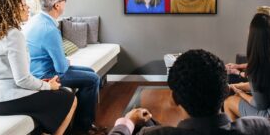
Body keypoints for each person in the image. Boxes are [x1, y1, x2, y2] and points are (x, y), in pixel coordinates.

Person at [108, 49, 270, 135]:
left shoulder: (151, 133)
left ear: (174, 98)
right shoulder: (260, 127)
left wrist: (127, 122)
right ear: (226, 90)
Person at [0, 0, 77, 135]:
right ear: (11, 9)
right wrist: (48, 86)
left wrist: (42, 84)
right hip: (8, 100)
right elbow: (22, 80)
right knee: (69, 97)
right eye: (23, 4)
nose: (27, 8)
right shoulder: (14, 35)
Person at [22, 0, 103, 134]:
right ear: (57, 5)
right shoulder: (50, 29)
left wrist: (64, 62)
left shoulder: (36, 20)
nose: (65, 2)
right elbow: (61, 68)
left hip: (37, 69)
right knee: (92, 79)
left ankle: (82, 122)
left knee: (91, 73)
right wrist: (66, 62)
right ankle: (81, 128)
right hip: (47, 75)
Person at [224, 11, 270, 121]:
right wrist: (236, 87)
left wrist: (240, 93)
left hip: (267, 116)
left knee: (229, 102)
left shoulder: (259, 66)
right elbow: (262, 87)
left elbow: (260, 104)